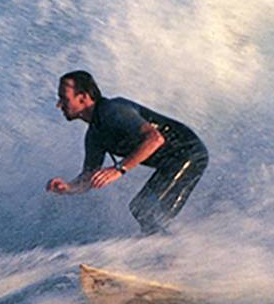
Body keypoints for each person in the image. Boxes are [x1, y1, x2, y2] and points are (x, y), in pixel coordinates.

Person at [46, 70, 208, 233]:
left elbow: (155, 139)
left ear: (83, 98)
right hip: (171, 164)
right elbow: (88, 177)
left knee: (145, 210)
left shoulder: (114, 110)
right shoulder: (94, 135)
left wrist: (119, 169)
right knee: (142, 210)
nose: (59, 105)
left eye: (64, 98)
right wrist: (68, 187)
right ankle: (164, 249)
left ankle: (172, 251)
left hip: (189, 153)